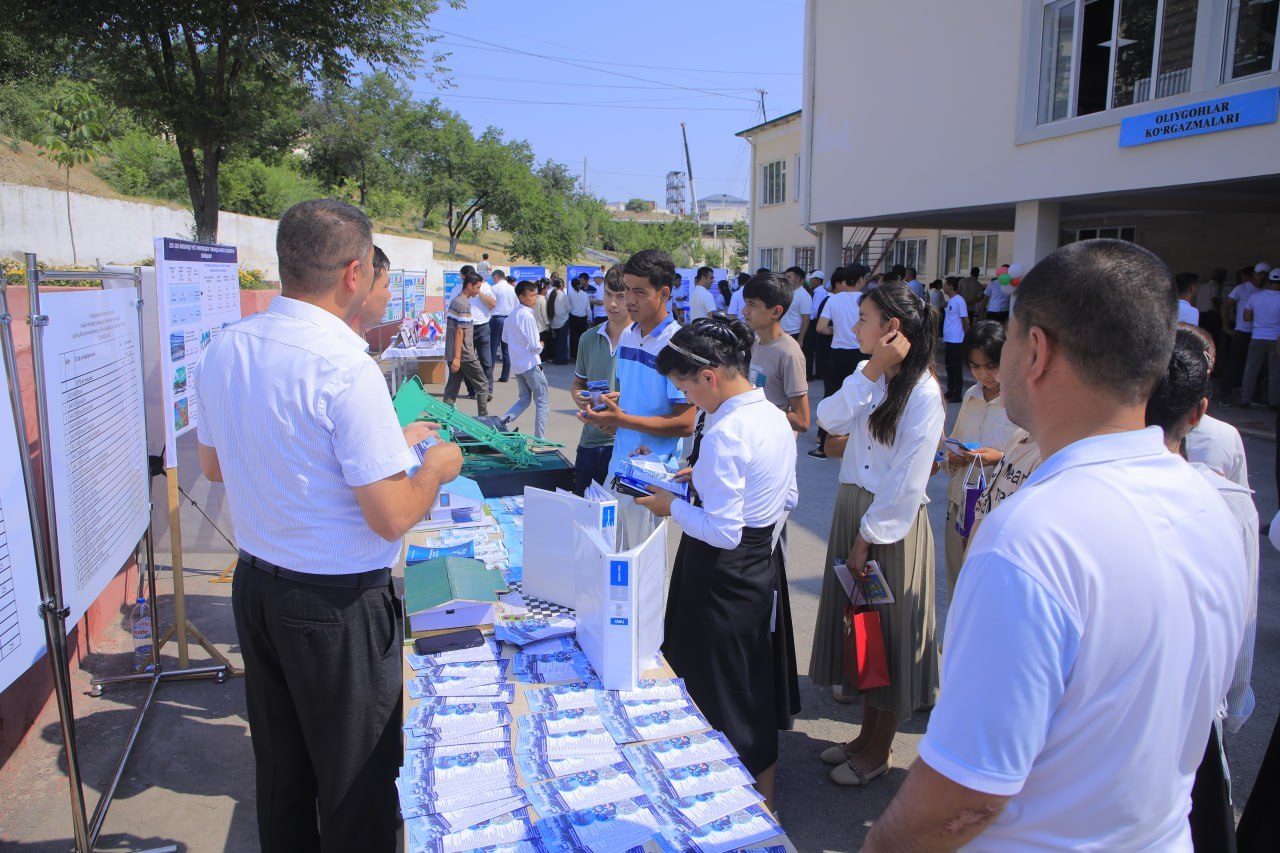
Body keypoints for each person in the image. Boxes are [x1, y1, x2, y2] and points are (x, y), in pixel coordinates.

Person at [864, 240, 1249, 852]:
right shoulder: (1213, 505)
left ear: (1035, 352)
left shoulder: (1030, 537)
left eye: (1010, 341)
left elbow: (964, 797)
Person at [194, 199, 464, 852]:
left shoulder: (229, 344)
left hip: (257, 588)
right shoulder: (346, 367)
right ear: (353, 270)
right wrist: (436, 468)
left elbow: (217, 464)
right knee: (355, 785)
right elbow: (394, 513)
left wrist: (383, 442)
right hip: (336, 605)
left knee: (284, 776)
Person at [635, 315, 801, 810]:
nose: (687, 399)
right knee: (748, 682)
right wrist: (700, 482)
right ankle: (762, 799)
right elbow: (786, 496)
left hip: (720, 573)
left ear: (709, 376)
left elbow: (724, 531)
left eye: (685, 386)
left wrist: (673, 506)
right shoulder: (771, 414)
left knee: (716, 688)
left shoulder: (728, 429)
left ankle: (723, 804)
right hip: (756, 566)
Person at [810, 281, 943, 787]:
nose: (855, 326)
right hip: (855, 509)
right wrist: (869, 370)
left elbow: (907, 480)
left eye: (864, 318)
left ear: (892, 328)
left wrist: (867, 537)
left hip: (889, 525)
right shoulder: (869, 377)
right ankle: (863, 739)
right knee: (861, 631)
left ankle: (879, 751)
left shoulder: (924, 392)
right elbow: (826, 421)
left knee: (884, 636)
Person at [1144, 327, 1258, 852]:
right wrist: (1234, 698)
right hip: (1195, 711)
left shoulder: (1066, 495)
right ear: (1199, 410)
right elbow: (1243, 612)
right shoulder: (1227, 502)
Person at [578, 249, 696, 548]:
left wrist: (622, 419)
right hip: (619, 465)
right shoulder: (630, 334)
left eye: (639, 292)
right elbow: (637, 398)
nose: (630, 299)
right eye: (627, 289)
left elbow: (685, 422)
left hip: (652, 475)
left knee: (643, 570)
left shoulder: (677, 345)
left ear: (664, 293)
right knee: (610, 556)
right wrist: (609, 413)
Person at [937, 321, 1017, 595]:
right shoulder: (971, 396)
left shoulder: (1021, 402)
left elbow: (1036, 456)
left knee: (987, 593)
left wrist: (1000, 457)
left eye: (991, 366)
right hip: (960, 503)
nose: (984, 374)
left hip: (999, 513)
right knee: (957, 586)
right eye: (975, 366)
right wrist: (953, 458)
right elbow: (953, 443)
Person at [572, 265, 628, 494]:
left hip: (626, 443)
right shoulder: (588, 338)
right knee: (585, 518)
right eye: (608, 295)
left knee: (622, 526)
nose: (612, 303)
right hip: (591, 442)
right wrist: (578, 396)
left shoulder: (643, 342)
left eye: (620, 297)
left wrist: (623, 401)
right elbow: (579, 382)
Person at [811, 263, 869, 459]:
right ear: (860, 279)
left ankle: (822, 442)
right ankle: (855, 443)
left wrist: (836, 331)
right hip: (860, 354)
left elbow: (820, 327)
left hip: (837, 354)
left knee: (832, 396)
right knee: (861, 398)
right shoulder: (866, 301)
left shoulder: (833, 299)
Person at [743, 271, 810, 433]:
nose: (744, 311)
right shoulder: (757, 342)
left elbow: (802, 421)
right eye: (745, 304)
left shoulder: (789, 353)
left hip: (774, 444)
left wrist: (760, 409)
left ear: (776, 312)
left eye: (752, 305)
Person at [501, 281, 549, 438]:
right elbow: (535, 345)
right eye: (531, 295)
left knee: (524, 399)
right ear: (522, 297)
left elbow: (505, 338)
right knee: (542, 401)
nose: (534, 298)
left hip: (518, 364)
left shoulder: (512, 315)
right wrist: (540, 344)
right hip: (530, 363)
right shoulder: (527, 315)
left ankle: (502, 423)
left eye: (535, 294)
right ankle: (540, 440)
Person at [443, 272, 490, 417]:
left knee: (452, 388)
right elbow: (459, 332)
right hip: (464, 354)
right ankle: (483, 418)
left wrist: (455, 357)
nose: (478, 291)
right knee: (482, 385)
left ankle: (445, 416)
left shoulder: (456, 301)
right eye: (477, 287)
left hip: (453, 352)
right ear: (469, 286)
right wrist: (458, 357)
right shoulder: (463, 304)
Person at [1224, 262, 1265, 403]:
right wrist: (1226, 327)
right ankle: (1225, 395)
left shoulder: (1265, 291)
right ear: (1253, 274)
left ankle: (1253, 396)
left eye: (1264, 274)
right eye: (1259, 273)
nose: (1261, 277)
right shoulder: (1241, 289)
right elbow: (1225, 306)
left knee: (1256, 367)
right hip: (1241, 331)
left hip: (1258, 334)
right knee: (1234, 364)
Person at [1240, 267, 1280, 407]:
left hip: (1257, 336)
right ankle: (1274, 402)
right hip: (1276, 339)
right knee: (1275, 372)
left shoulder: (1256, 296)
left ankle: (1245, 399)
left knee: (1251, 369)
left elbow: (1246, 317)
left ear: (1268, 280)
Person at [461, 264, 498, 396]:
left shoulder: (485, 287)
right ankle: (471, 390)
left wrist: (479, 292)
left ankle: (487, 391)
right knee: (467, 361)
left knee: (486, 360)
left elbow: (493, 304)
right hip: (465, 327)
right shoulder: (458, 290)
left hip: (482, 326)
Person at [942, 276, 969, 402]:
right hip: (949, 338)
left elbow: (965, 320)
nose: (944, 287)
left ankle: (957, 393)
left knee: (956, 367)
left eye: (945, 284)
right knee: (949, 366)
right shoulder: (952, 301)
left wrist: (967, 336)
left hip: (956, 339)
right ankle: (950, 389)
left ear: (951, 286)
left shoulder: (959, 301)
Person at [803, 269, 833, 380]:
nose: (811, 282)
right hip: (818, 320)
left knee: (810, 348)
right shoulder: (819, 291)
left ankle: (810, 373)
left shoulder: (819, 292)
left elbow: (814, 309)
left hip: (815, 321)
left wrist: (807, 319)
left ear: (817, 280)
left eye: (812, 280)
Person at [490, 269, 518, 383]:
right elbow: (516, 306)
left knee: (492, 348)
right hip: (509, 319)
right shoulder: (513, 289)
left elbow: (491, 304)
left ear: (496, 277)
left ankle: (489, 375)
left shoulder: (494, 288)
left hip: (497, 319)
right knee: (506, 349)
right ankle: (505, 375)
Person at [781, 265, 813, 345]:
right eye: (786, 277)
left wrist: (800, 339)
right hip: (782, 333)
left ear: (800, 279)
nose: (786, 279)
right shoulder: (786, 293)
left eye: (789, 277)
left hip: (795, 333)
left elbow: (806, 320)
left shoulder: (804, 296)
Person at [566, 275, 591, 359]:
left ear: (572, 285)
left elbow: (568, 307)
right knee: (582, 337)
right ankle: (582, 355)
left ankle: (574, 355)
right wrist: (589, 318)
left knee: (573, 337)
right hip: (583, 318)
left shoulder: (570, 294)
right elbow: (588, 308)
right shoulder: (585, 295)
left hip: (573, 317)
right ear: (579, 285)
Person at [547, 275, 571, 364]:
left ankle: (556, 358)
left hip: (553, 321)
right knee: (562, 342)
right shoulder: (563, 295)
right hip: (563, 320)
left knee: (556, 341)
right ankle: (562, 359)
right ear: (561, 285)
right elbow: (568, 308)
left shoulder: (551, 294)